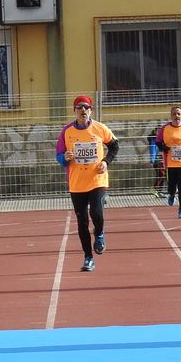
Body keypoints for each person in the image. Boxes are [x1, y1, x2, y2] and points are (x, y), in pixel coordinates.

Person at [56, 95, 118, 272]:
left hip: (97, 179)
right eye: (79, 108)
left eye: (86, 107)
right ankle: (88, 257)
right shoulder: (67, 132)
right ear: (74, 111)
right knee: (82, 222)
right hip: (77, 183)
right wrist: (64, 158)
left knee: (96, 213)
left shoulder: (100, 128)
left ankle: (99, 234)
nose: (83, 110)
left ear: (90, 110)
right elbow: (59, 155)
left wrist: (106, 161)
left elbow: (115, 146)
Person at [158, 105, 181, 218]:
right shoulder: (165, 128)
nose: (176, 116)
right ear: (171, 116)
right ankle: (171, 194)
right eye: (174, 114)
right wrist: (163, 148)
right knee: (171, 184)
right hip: (170, 161)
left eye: (178, 114)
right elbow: (158, 141)